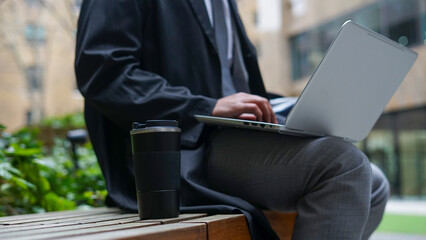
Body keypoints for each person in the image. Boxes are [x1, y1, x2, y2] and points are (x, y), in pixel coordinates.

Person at [75, 0, 390, 239]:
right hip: (174, 151)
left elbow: (235, 91)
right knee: (340, 165)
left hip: (229, 138)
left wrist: (296, 107)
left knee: (374, 182)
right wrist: (206, 106)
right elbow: (103, 72)